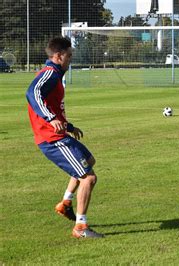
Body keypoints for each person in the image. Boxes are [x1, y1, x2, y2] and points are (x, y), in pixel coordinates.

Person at [25, 37, 103, 238]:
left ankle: (66, 203)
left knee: (89, 161)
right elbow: (32, 92)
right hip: (51, 139)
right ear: (58, 56)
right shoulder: (50, 72)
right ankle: (80, 228)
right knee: (89, 178)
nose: (70, 60)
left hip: (58, 134)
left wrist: (68, 126)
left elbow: (51, 105)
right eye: (69, 56)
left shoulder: (56, 75)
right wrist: (51, 119)